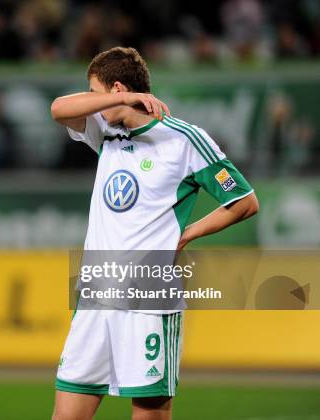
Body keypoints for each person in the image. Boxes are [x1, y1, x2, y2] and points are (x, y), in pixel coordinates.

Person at [50, 47, 259, 420]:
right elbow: (58, 108)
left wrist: (188, 233)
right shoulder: (105, 130)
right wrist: (123, 100)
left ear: (113, 88)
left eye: (95, 92)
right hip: (97, 292)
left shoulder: (184, 140)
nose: (91, 103)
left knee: (149, 414)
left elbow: (244, 201)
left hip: (148, 295)